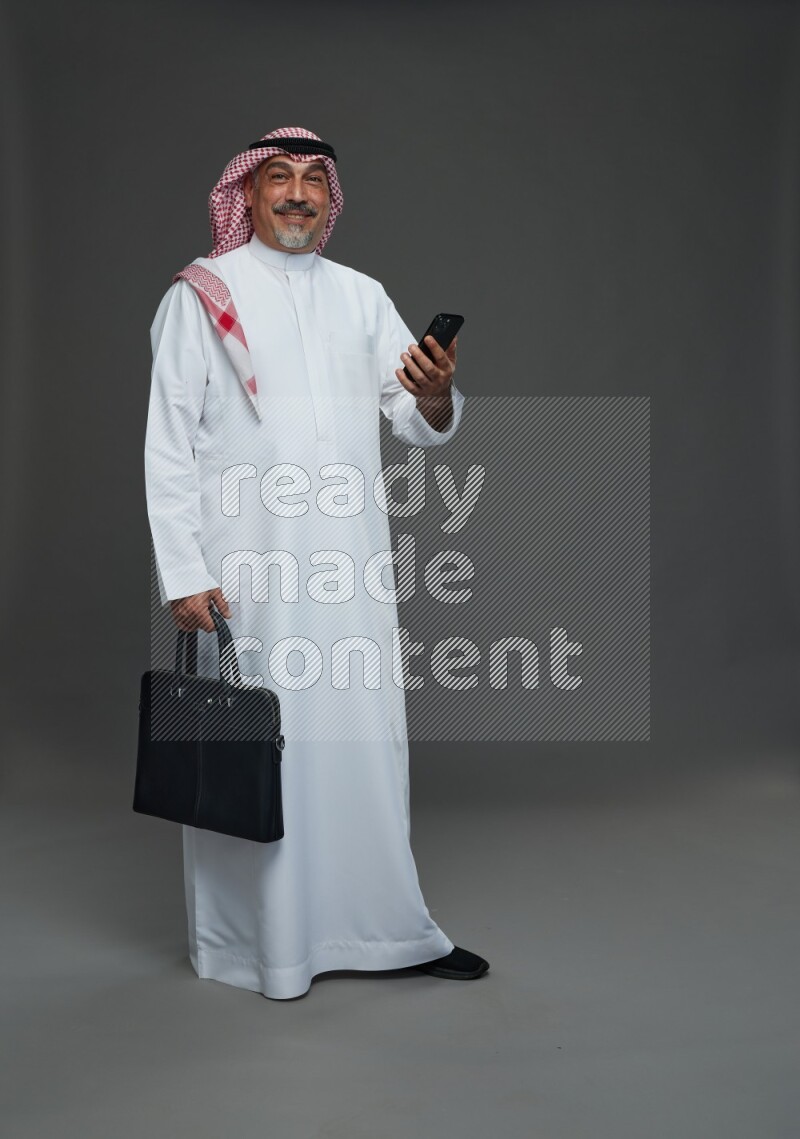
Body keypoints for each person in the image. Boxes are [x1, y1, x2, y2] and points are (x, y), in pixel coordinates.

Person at [144, 125, 489, 1000]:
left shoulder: (363, 296)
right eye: (278, 179)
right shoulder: (202, 295)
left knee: (362, 745)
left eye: (312, 181)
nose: (296, 194)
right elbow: (168, 445)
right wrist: (182, 572)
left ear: (330, 200)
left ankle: (389, 931)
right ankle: (260, 948)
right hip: (245, 568)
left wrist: (437, 389)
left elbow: (415, 418)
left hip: (348, 567)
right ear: (247, 196)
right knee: (257, 745)